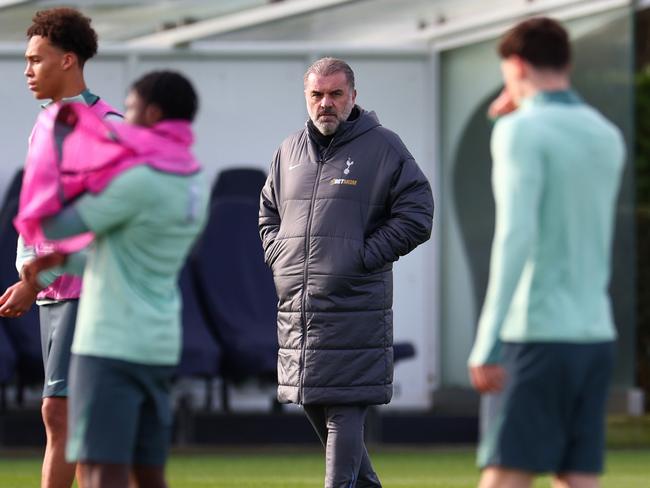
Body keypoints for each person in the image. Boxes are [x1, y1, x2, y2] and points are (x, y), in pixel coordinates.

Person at [20, 70, 208, 488]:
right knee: (148, 472)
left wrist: (51, 162)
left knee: (102, 470)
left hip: (108, 345)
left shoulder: (137, 181)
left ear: (152, 113)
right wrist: (65, 263)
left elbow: (56, 224)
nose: (123, 117)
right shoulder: (194, 181)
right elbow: (126, 259)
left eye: (130, 108)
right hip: (158, 344)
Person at [259, 57, 434, 488]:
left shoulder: (384, 147)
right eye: (317, 95)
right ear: (306, 97)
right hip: (299, 311)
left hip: (355, 307)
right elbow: (267, 215)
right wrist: (281, 257)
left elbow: (418, 213)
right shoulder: (288, 152)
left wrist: (361, 258)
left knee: (344, 409)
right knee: (316, 404)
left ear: (353, 96)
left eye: (336, 94)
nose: (326, 104)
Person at [468, 17, 625, 488]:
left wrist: (487, 341)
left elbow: (516, 237)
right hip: (595, 336)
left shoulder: (519, 132)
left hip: (536, 334)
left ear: (515, 65)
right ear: (567, 63)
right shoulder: (606, 133)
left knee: (504, 476)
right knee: (577, 478)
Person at [0, 8, 119, 488]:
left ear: (68, 60)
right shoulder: (45, 124)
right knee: (69, 416)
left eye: (36, 60)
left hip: (92, 289)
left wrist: (35, 279)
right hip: (56, 291)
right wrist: (28, 273)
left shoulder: (103, 125)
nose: (27, 71)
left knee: (61, 412)